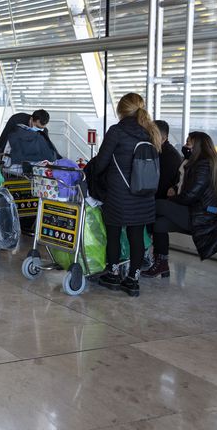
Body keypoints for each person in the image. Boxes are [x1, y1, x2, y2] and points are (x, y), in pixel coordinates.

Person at [92, 93, 162, 297]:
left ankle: (113, 274)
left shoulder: (116, 131)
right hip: (144, 194)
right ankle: (133, 280)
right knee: (136, 236)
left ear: (121, 110)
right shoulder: (151, 131)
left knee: (113, 234)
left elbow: (101, 163)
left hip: (119, 194)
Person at [145, 132, 217, 277]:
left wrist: (170, 201)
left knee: (157, 205)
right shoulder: (206, 162)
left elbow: (190, 196)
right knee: (159, 224)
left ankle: (141, 252)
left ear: (197, 147)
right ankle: (161, 264)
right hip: (199, 212)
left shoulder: (204, 165)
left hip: (204, 216)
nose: (184, 146)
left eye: (188, 143)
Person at [154, 120, 182, 200]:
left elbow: (162, 186)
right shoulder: (158, 151)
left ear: (163, 139)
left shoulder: (170, 157)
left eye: (152, 135)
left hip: (162, 201)